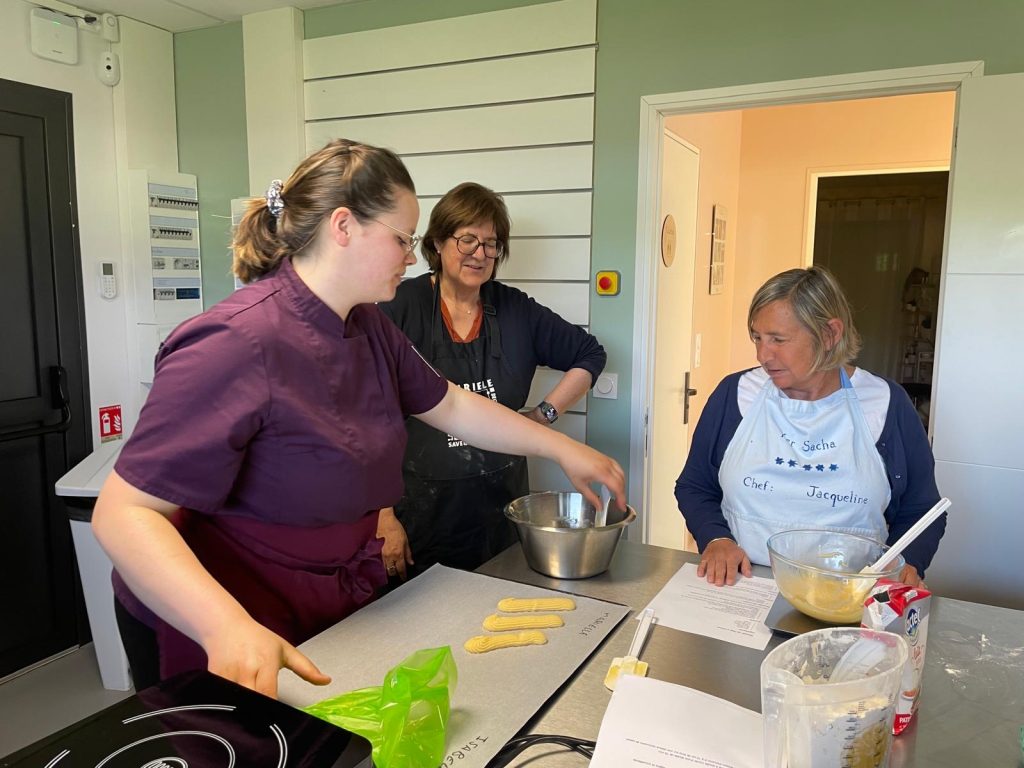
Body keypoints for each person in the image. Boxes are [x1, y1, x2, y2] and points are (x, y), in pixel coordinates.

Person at [91, 140, 625, 699]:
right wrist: (223, 625)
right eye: (401, 239)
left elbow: (451, 405)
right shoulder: (235, 341)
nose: (411, 258)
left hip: (322, 595)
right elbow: (124, 513)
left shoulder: (369, 327)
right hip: (224, 612)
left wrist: (562, 447)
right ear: (343, 226)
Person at [378, 182, 607, 578]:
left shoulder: (515, 310)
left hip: (502, 511)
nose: (480, 254)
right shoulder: (398, 308)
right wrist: (381, 515)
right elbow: (367, 416)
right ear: (437, 242)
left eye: (491, 244)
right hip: (419, 516)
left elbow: (590, 354)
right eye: (467, 240)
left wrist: (542, 417)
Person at [675, 266, 945, 588]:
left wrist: (907, 561)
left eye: (778, 339)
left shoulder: (886, 403)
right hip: (744, 584)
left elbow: (923, 509)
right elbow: (695, 486)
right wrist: (716, 538)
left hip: (851, 591)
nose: (762, 354)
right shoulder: (734, 394)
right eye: (757, 337)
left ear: (830, 334)